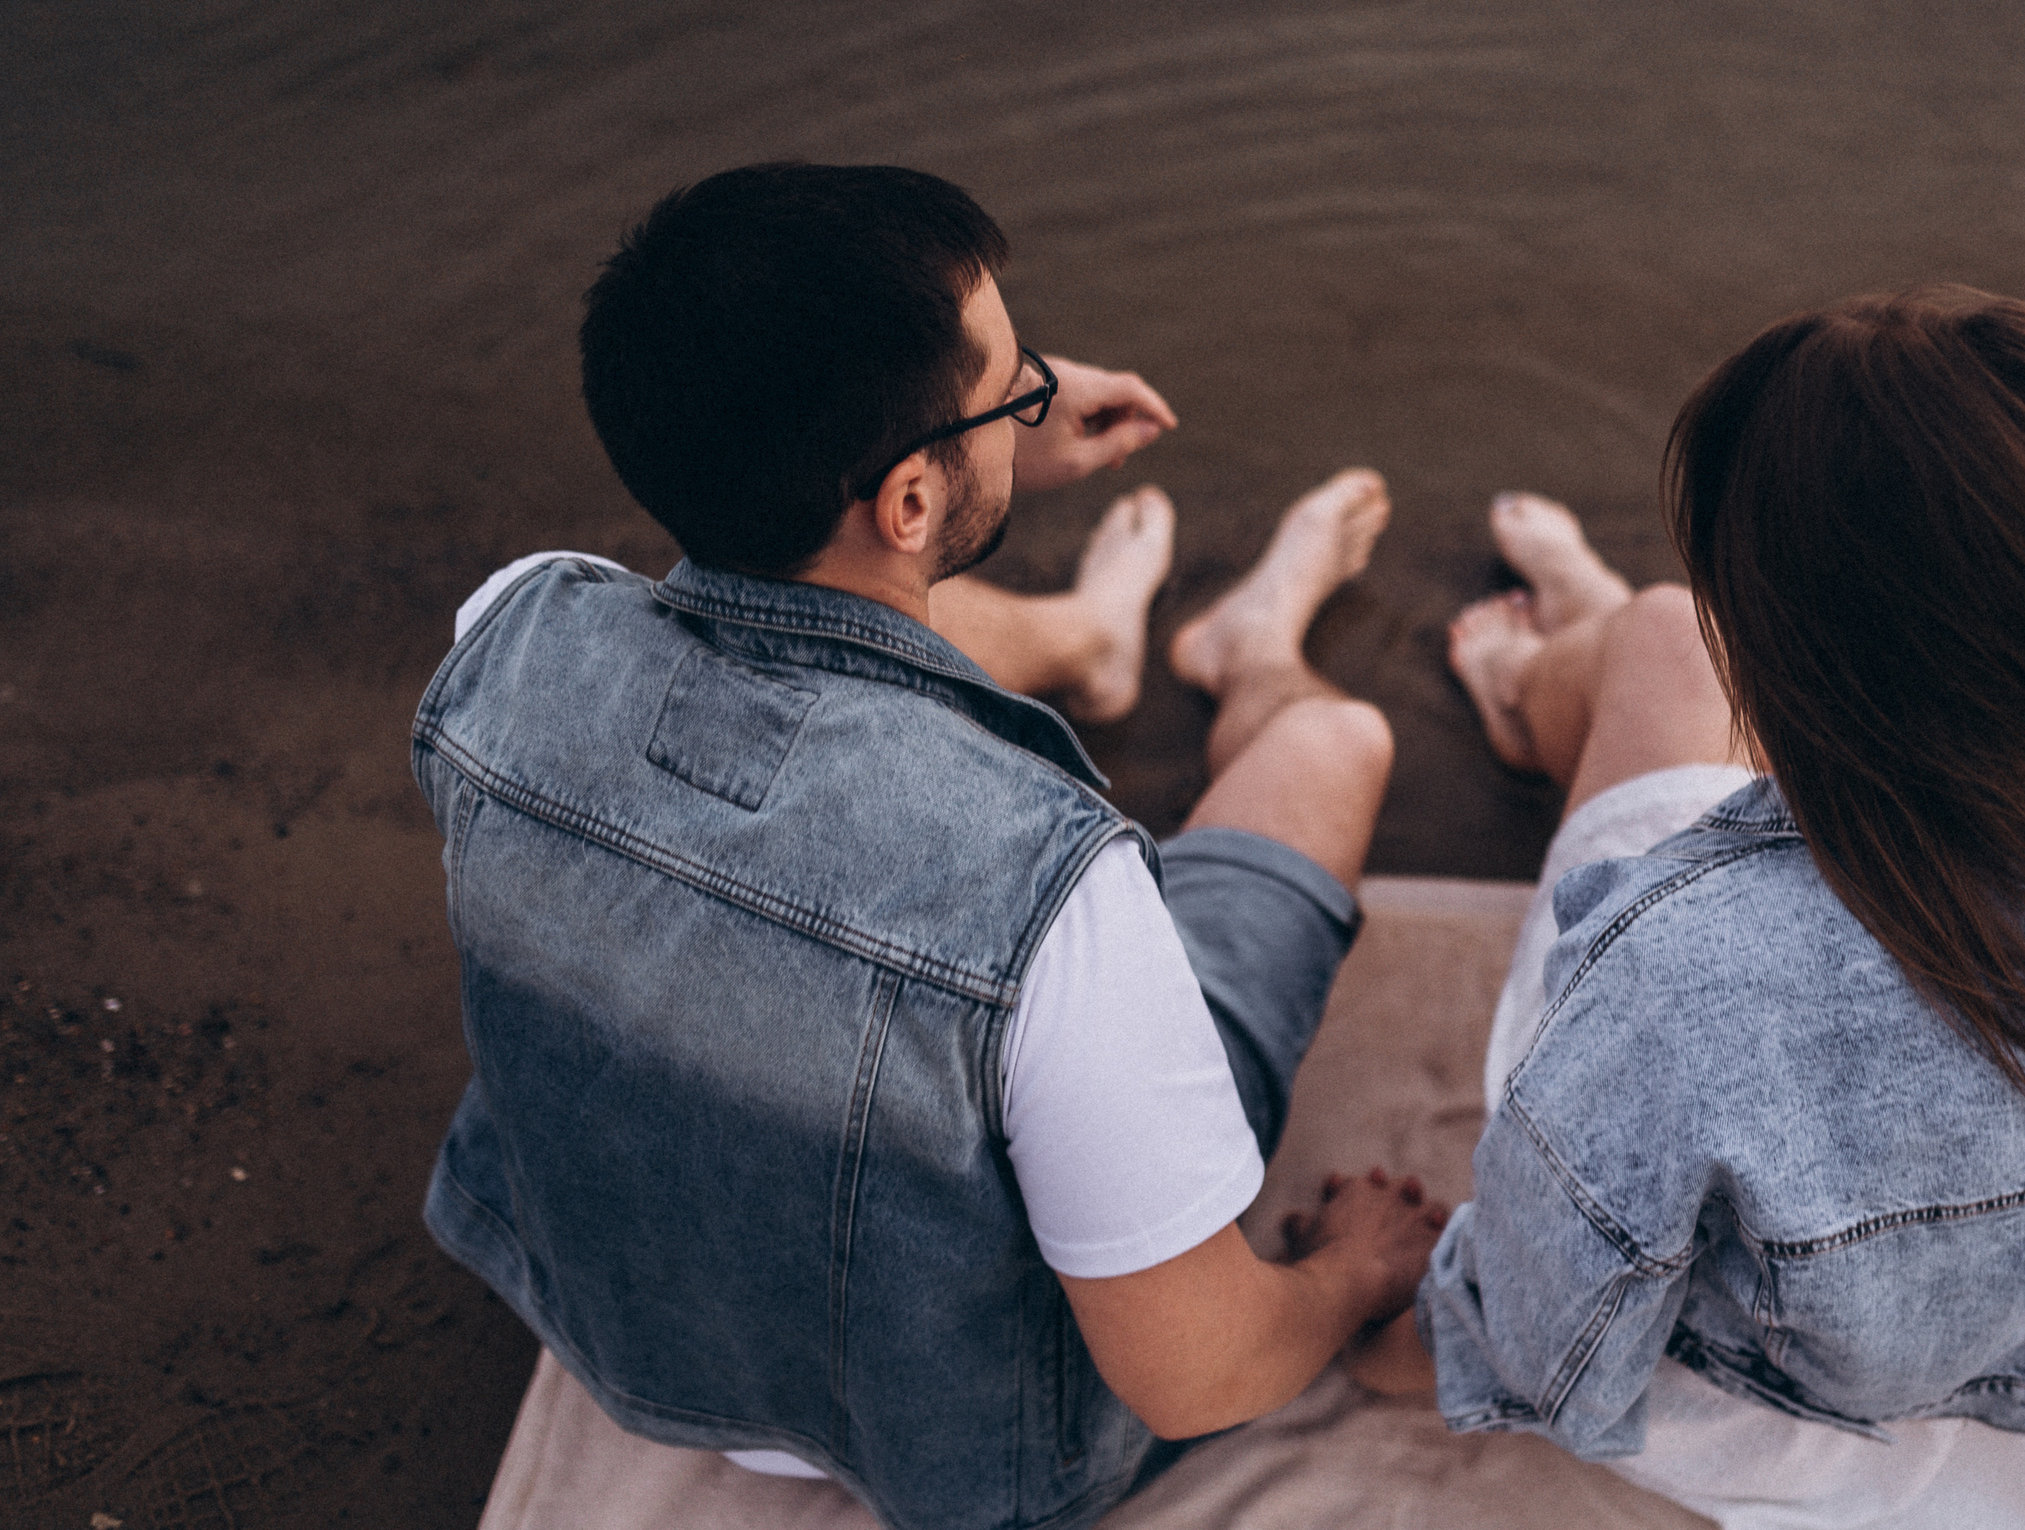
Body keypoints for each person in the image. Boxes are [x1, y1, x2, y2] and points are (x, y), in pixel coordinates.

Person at [412, 161, 1445, 1530]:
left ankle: (1085, 637)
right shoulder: (1053, 895)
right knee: (1333, 751)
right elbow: (1197, 1377)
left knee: (792, 618)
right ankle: (1254, 651)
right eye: (1016, 387)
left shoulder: (513, 634)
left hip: (631, 1349)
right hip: (968, 1451)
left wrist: (991, 426)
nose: (1040, 396)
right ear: (908, 500)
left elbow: (771, 608)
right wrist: (1356, 1272)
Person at [1357, 285, 2025, 1530]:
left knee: (1660, 645)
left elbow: (1549, 1334)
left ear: (1786, 636)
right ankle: (1570, 650)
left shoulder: (1685, 970)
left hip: (1803, 1436)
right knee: (1682, 669)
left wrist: (1392, 1318)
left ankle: (1537, 670)